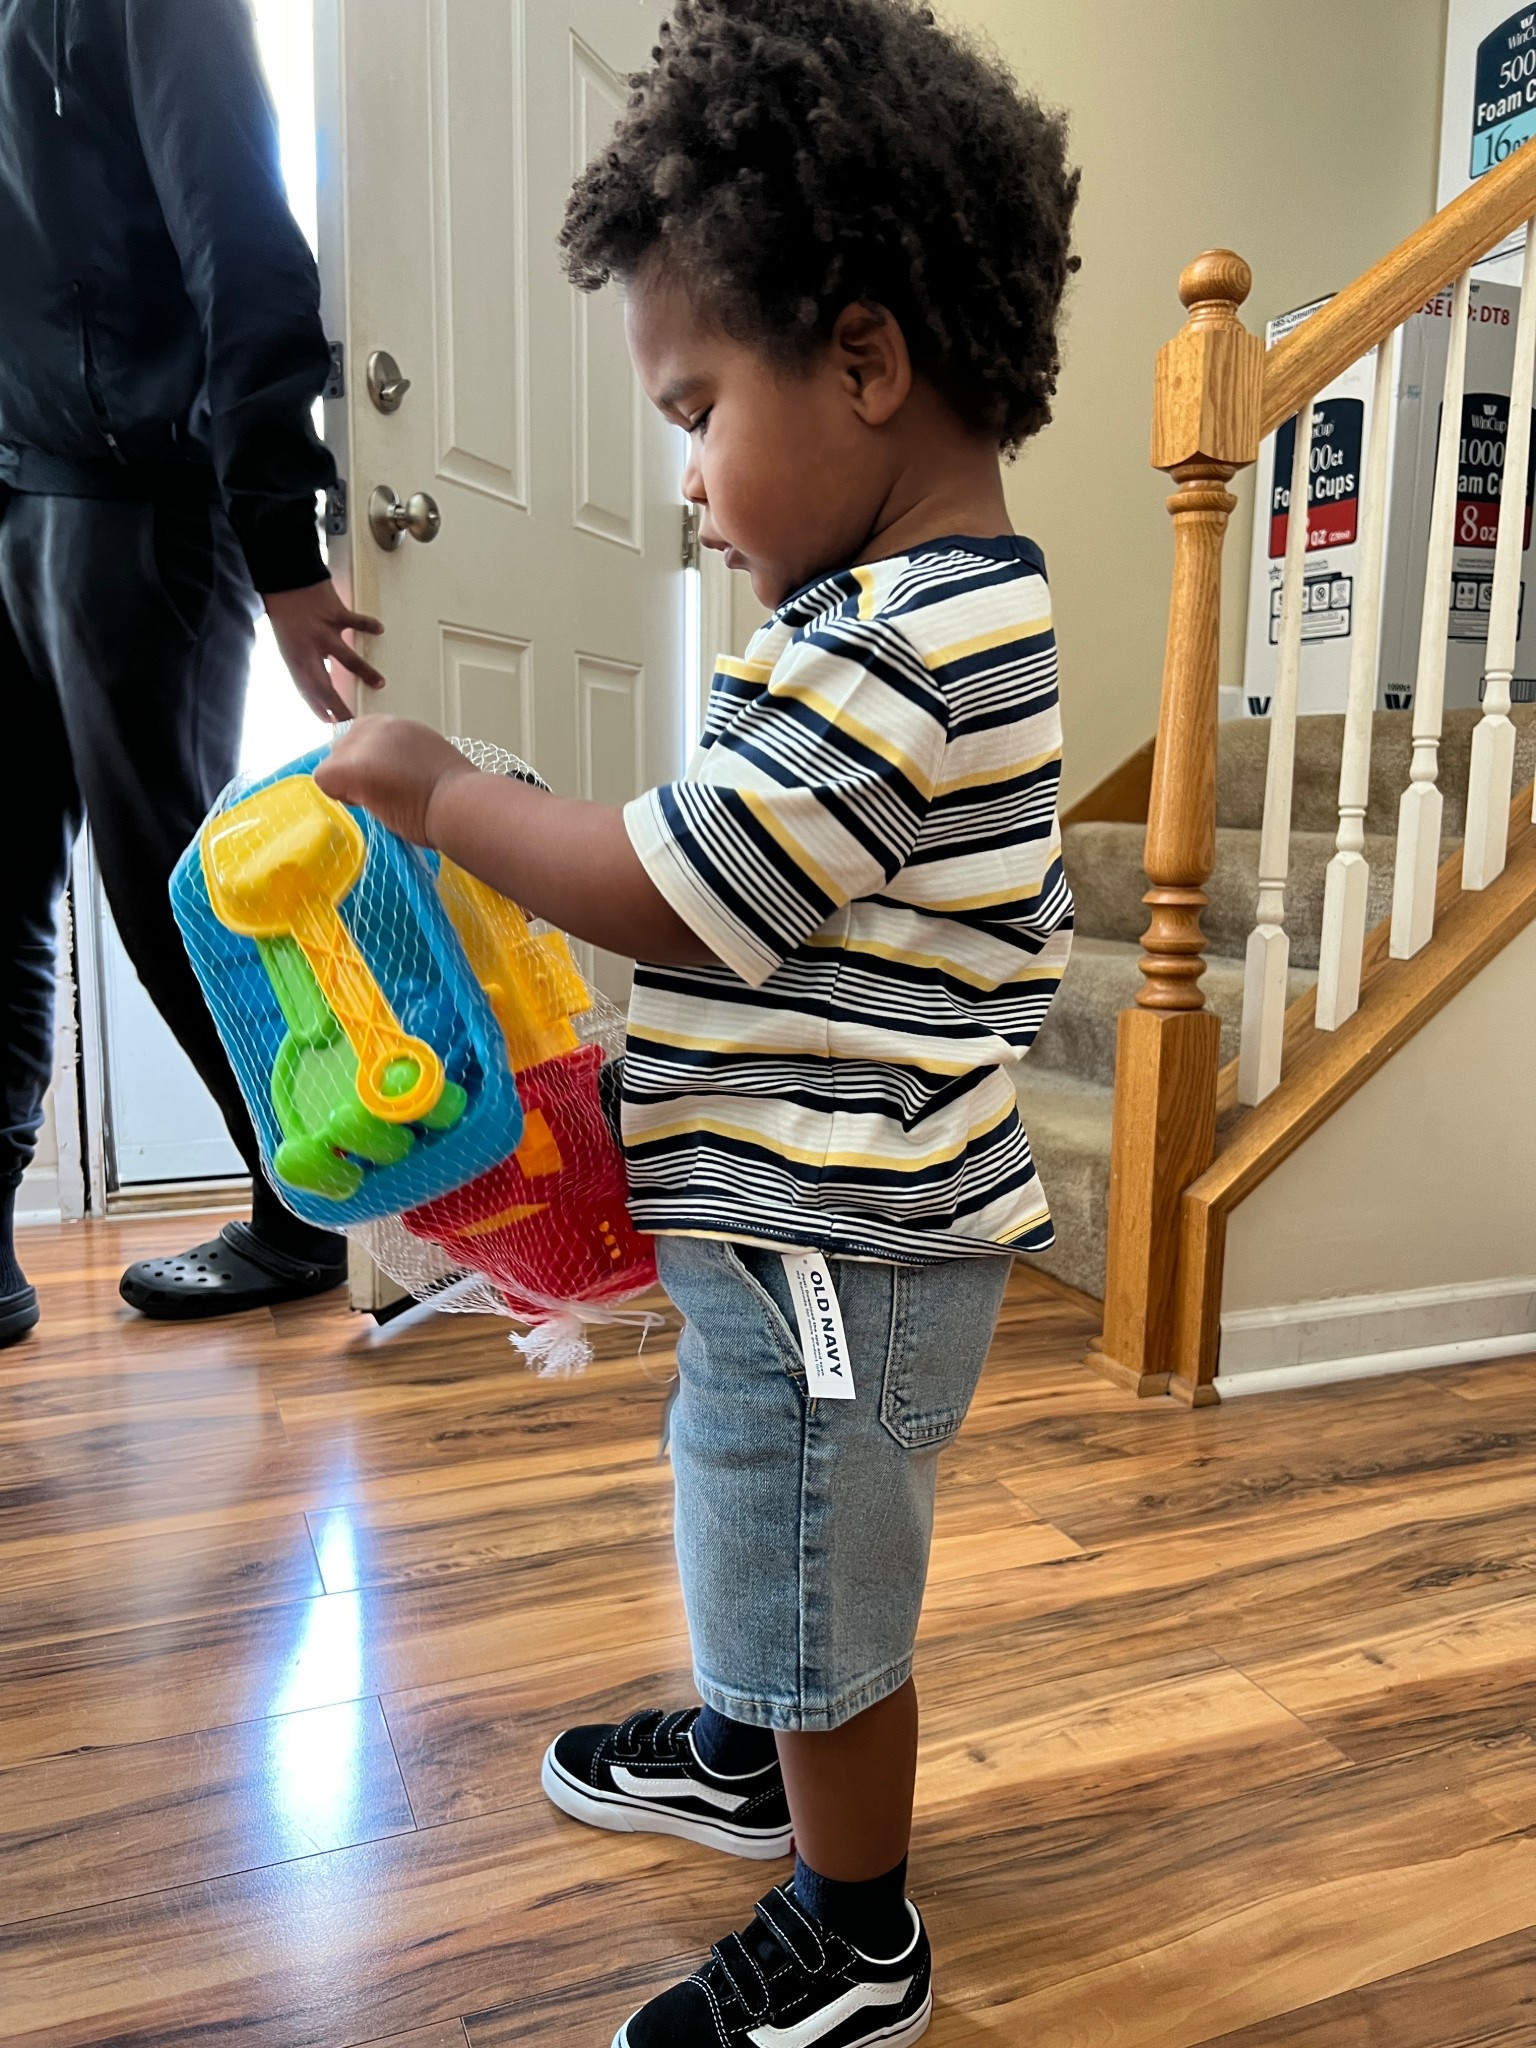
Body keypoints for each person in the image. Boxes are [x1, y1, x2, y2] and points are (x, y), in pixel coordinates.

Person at [317, 1, 1078, 2039]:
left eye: (692, 404)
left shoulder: (910, 651)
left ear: (866, 358)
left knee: (814, 1551)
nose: (682, 476)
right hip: (802, 1242)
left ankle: (857, 1934)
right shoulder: (885, 626)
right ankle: (764, 1747)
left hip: (848, 1260)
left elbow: (676, 885)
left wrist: (444, 791)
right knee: (762, 1518)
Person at [0, 0, 384, 1346]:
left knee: (174, 880)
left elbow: (244, 238)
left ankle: (308, 1211)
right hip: (21, 480)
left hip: (140, 495)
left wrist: (284, 539)